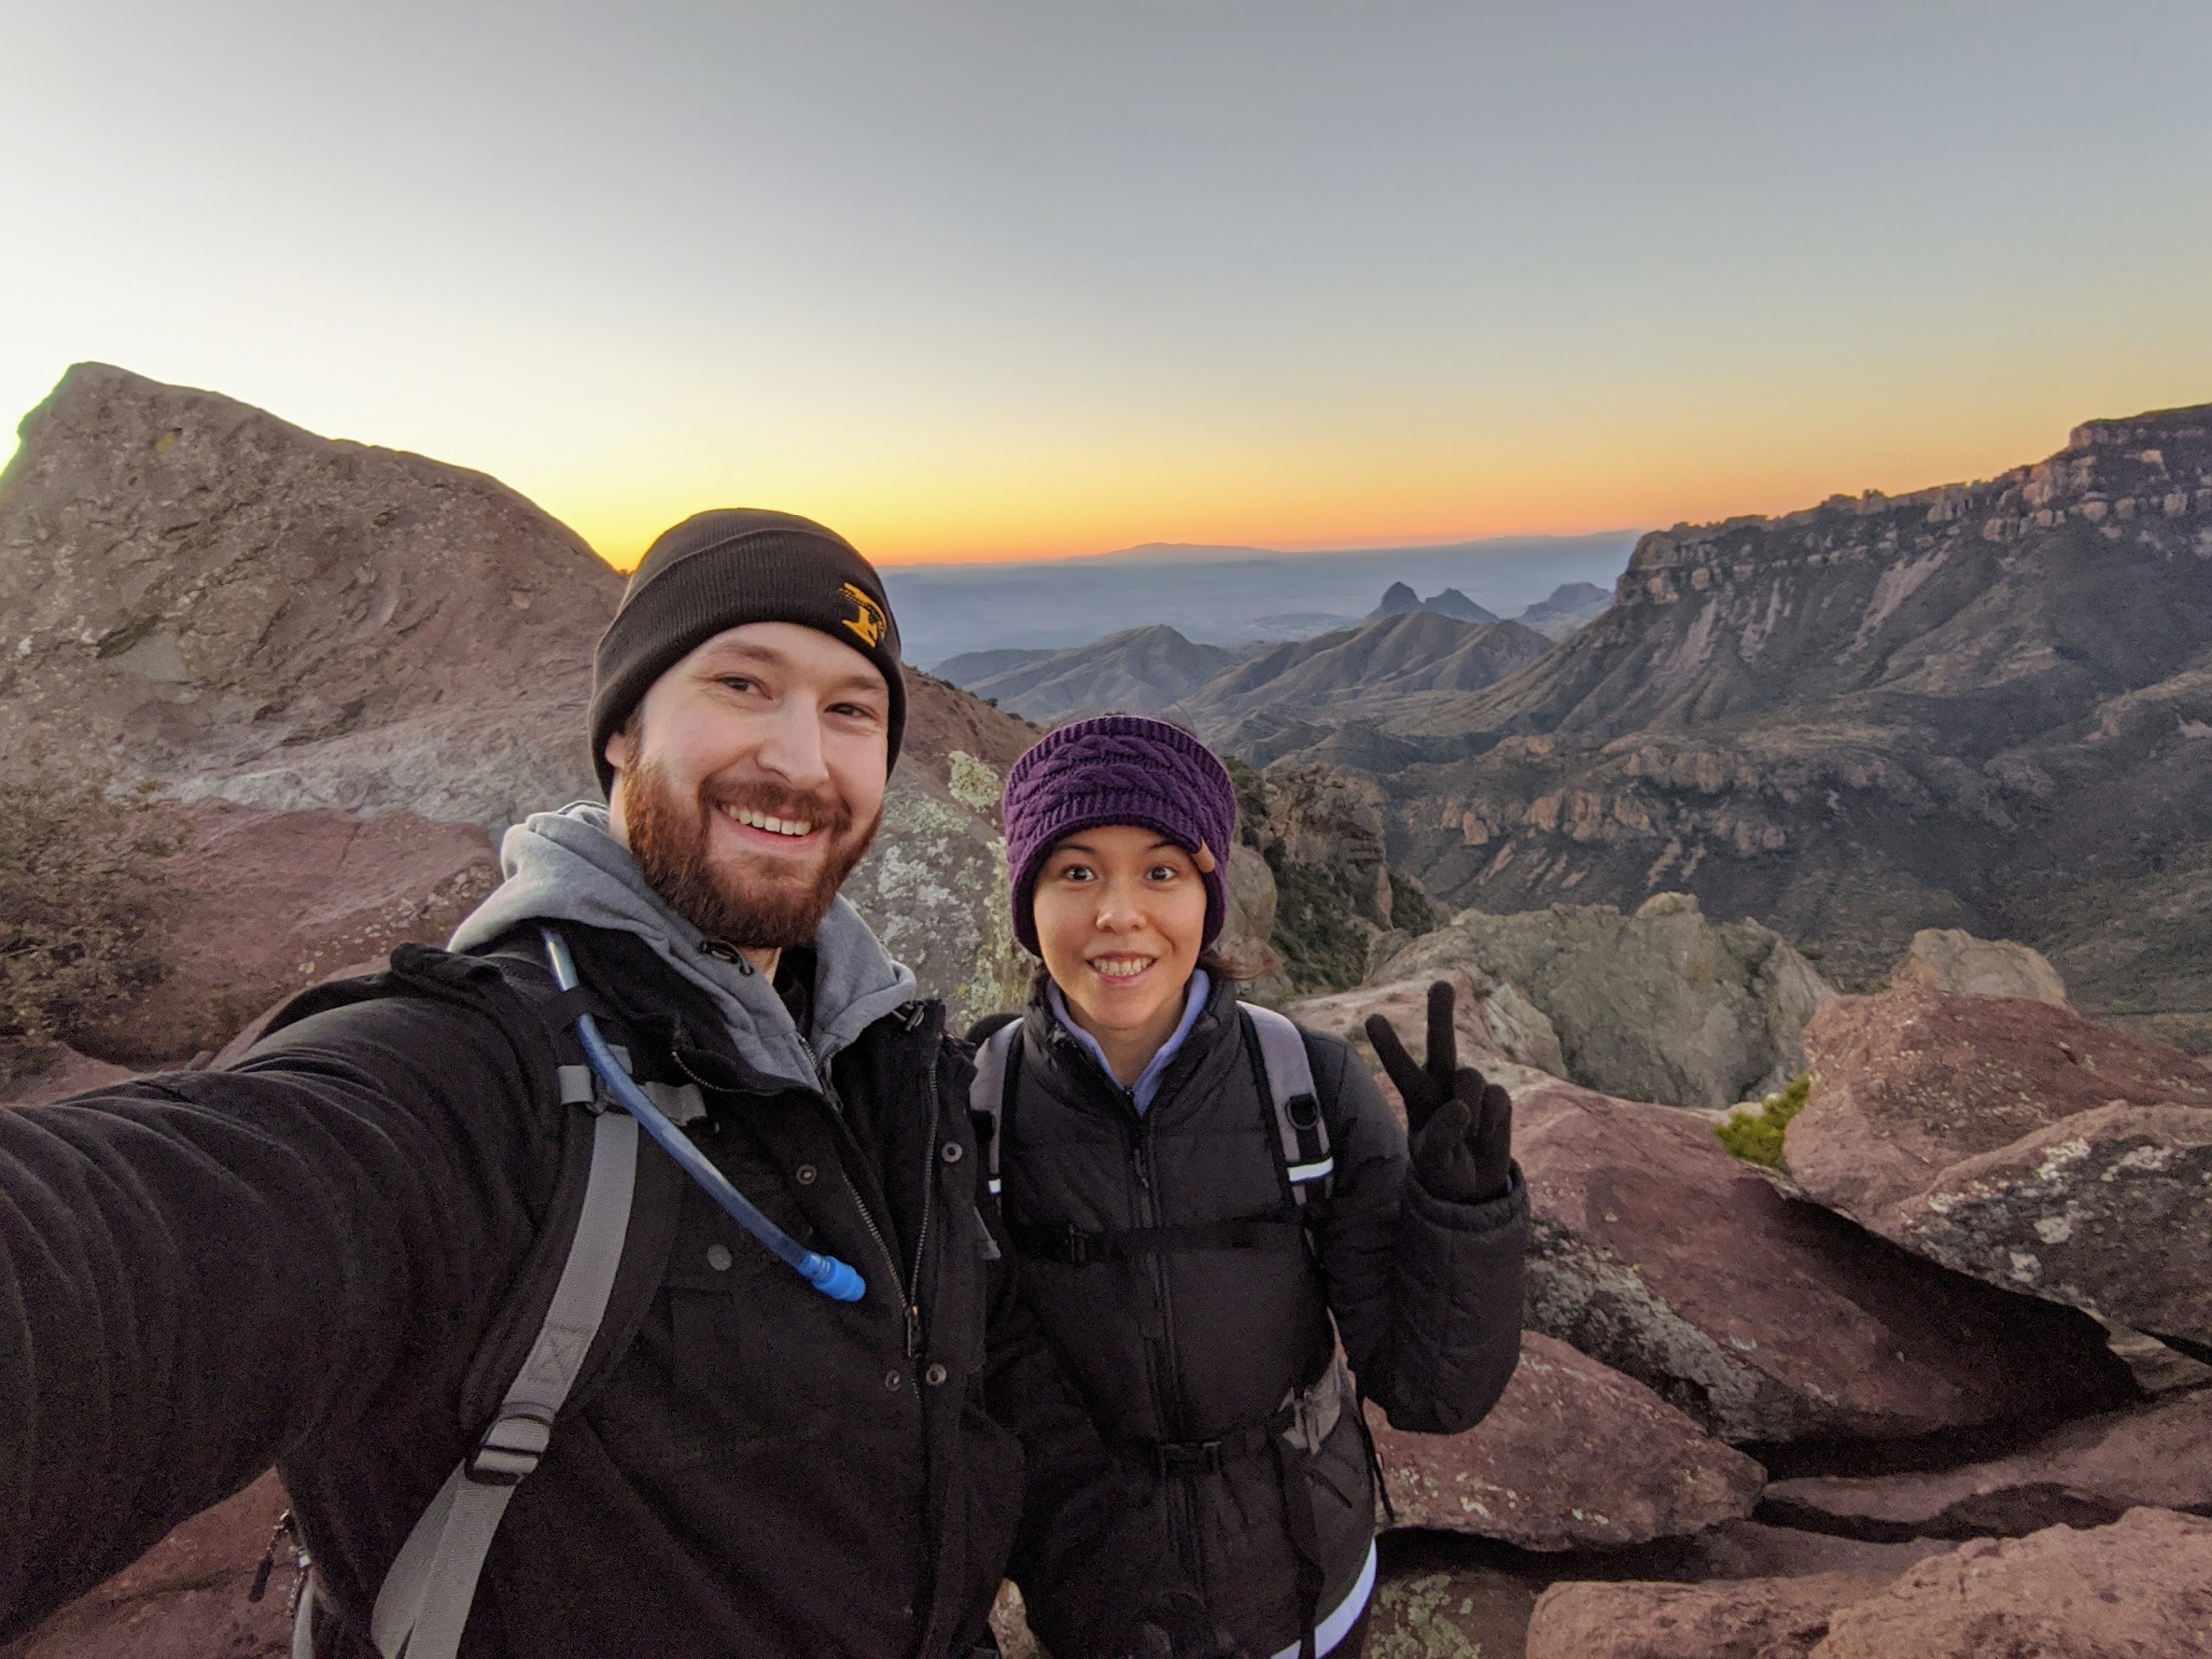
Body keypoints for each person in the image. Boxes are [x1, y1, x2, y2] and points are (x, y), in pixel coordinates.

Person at [0, 512, 1232, 1659]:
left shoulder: (892, 1055)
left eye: (852, 710)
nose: (800, 757)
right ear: (621, 731)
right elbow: (154, 1249)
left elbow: (976, 1390)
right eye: (741, 684)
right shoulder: (471, 1071)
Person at [975, 715, 1531, 1659]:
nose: (1118, 913)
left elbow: (1432, 1392)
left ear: (1209, 895)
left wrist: (1462, 1218)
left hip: (1310, 1596)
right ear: (1028, 902)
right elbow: (975, 1401)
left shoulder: (1306, 1086)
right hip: (1102, 1617)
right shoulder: (980, 1111)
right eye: (1075, 871)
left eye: (1161, 871)